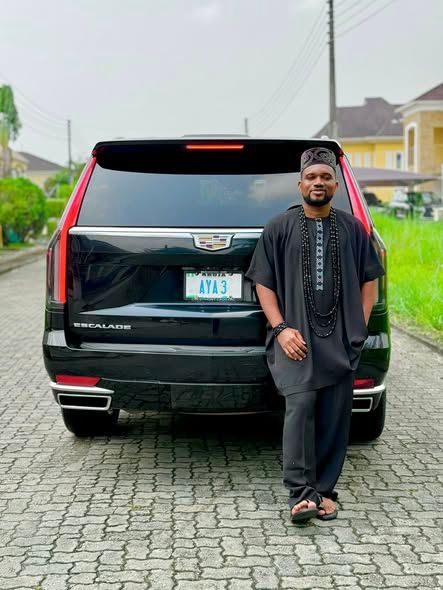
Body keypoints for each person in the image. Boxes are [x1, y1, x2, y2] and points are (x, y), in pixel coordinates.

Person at [245, 147, 384, 524]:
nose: (317, 183)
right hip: (295, 339)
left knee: (334, 416)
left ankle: (324, 491)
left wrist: (358, 329)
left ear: (335, 185)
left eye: (325, 177)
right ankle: (300, 493)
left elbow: (370, 280)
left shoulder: (353, 228)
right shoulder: (279, 227)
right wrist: (281, 328)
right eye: (311, 177)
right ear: (300, 184)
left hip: (341, 339)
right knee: (301, 406)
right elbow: (263, 283)